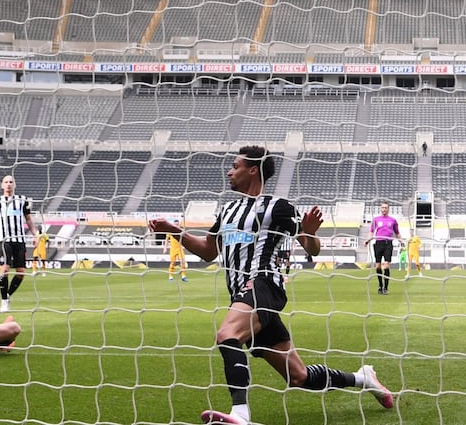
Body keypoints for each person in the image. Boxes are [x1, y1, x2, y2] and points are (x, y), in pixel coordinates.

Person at [149, 145, 393, 425]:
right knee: (299, 377)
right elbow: (208, 251)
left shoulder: (279, 207)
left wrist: (309, 233)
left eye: (235, 166)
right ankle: (365, 378)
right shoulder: (227, 210)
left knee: (227, 334)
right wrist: (174, 231)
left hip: (264, 285)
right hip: (242, 296)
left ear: (252, 170)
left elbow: (312, 249)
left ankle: (240, 414)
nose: (230, 171)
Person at [0, 175, 37, 312]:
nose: (8, 184)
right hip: (3, 239)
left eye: (11, 182)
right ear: (2, 185)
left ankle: (7, 295)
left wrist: (36, 234)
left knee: (21, 272)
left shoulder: (22, 201)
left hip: (19, 239)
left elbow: (29, 220)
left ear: (15, 184)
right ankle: (4, 302)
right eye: (6, 182)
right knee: (5, 269)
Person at [364, 202, 401, 295]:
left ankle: (386, 287)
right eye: (382, 207)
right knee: (378, 266)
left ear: (388, 209)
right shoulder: (376, 219)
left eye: (386, 208)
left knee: (387, 265)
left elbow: (397, 233)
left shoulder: (393, 220)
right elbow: (371, 231)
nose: (384, 209)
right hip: (378, 243)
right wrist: (367, 240)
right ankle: (380, 285)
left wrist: (401, 241)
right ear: (381, 209)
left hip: (388, 243)